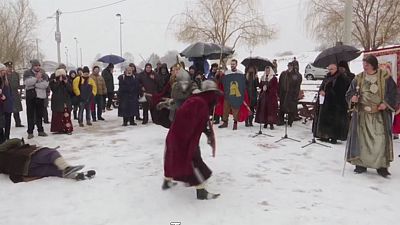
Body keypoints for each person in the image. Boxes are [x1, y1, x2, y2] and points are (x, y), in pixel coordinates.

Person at [162, 80, 221, 200]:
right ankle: (201, 191)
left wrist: (207, 132)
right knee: (194, 162)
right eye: (214, 94)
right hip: (183, 138)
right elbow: (187, 121)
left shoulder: (198, 101)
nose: (216, 99)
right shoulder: (198, 103)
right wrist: (187, 143)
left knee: (171, 156)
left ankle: (167, 181)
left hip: (177, 136)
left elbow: (197, 121)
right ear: (209, 94)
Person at [346, 55, 397, 178]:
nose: (364, 67)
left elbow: (394, 92)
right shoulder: (358, 78)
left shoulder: (385, 77)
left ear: (373, 65)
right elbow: (349, 93)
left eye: (367, 64)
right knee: (362, 141)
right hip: (362, 115)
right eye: (363, 64)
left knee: (380, 141)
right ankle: (360, 164)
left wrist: (386, 104)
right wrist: (352, 98)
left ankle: (381, 166)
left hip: (379, 115)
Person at [0, 138, 95, 183]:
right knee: (51, 153)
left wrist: (31, 177)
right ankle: (66, 168)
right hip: (28, 156)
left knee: (52, 170)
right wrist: (21, 145)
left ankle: (76, 175)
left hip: (24, 170)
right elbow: (15, 141)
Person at [312, 63, 350, 144]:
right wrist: (322, 91)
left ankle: (334, 137)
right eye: (329, 69)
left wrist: (327, 92)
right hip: (326, 103)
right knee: (325, 120)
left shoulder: (341, 78)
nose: (330, 71)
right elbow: (323, 86)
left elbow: (341, 91)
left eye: (332, 69)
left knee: (335, 121)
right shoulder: (327, 77)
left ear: (336, 69)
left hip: (336, 104)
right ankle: (325, 136)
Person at [23, 59, 49, 139]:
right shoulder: (27, 73)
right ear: (33, 66)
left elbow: (45, 85)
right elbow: (27, 83)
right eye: (36, 66)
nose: (37, 67)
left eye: (38, 65)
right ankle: (30, 132)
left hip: (40, 96)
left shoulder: (43, 73)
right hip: (30, 96)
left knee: (39, 114)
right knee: (30, 114)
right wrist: (36, 79)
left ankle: (40, 130)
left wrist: (34, 84)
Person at [218, 59, 247, 130]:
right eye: (231, 64)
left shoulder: (240, 73)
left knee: (235, 108)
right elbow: (222, 82)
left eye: (233, 64)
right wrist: (219, 75)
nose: (232, 65)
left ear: (236, 65)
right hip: (228, 93)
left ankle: (235, 123)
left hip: (236, 94)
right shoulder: (227, 73)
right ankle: (225, 122)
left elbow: (242, 84)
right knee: (226, 108)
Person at [277, 62, 302, 126]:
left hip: (291, 94)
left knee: (291, 108)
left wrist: (295, 95)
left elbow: (297, 86)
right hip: (283, 93)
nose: (289, 67)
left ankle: (290, 121)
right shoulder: (283, 74)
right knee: (282, 108)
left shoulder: (297, 75)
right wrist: (279, 93)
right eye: (288, 66)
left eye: (291, 66)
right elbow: (279, 84)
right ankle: (281, 121)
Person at [49, 69, 73, 135]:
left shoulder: (68, 80)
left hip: (66, 101)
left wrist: (66, 82)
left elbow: (71, 90)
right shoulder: (53, 81)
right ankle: (59, 129)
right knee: (58, 116)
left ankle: (68, 129)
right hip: (57, 101)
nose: (62, 77)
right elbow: (53, 89)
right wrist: (58, 81)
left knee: (66, 116)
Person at [4, 62, 24, 127]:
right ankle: (4, 124)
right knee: (6, 110)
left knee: (16, 109)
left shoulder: (16, 74)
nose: (9, 68)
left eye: (10, 67)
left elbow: (17, 84)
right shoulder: (4, 75)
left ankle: (18, 123)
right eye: (8, 67)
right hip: (7, 94)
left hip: (14, 93)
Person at [0, 63, 13, 144]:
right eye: (3, 71)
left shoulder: (6, 80)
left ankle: (7, 138)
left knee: (8, 122)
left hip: (8, 103)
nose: (5, 72)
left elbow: (9, 91)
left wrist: (10, 100)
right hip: (1, 105)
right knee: (1, 123)